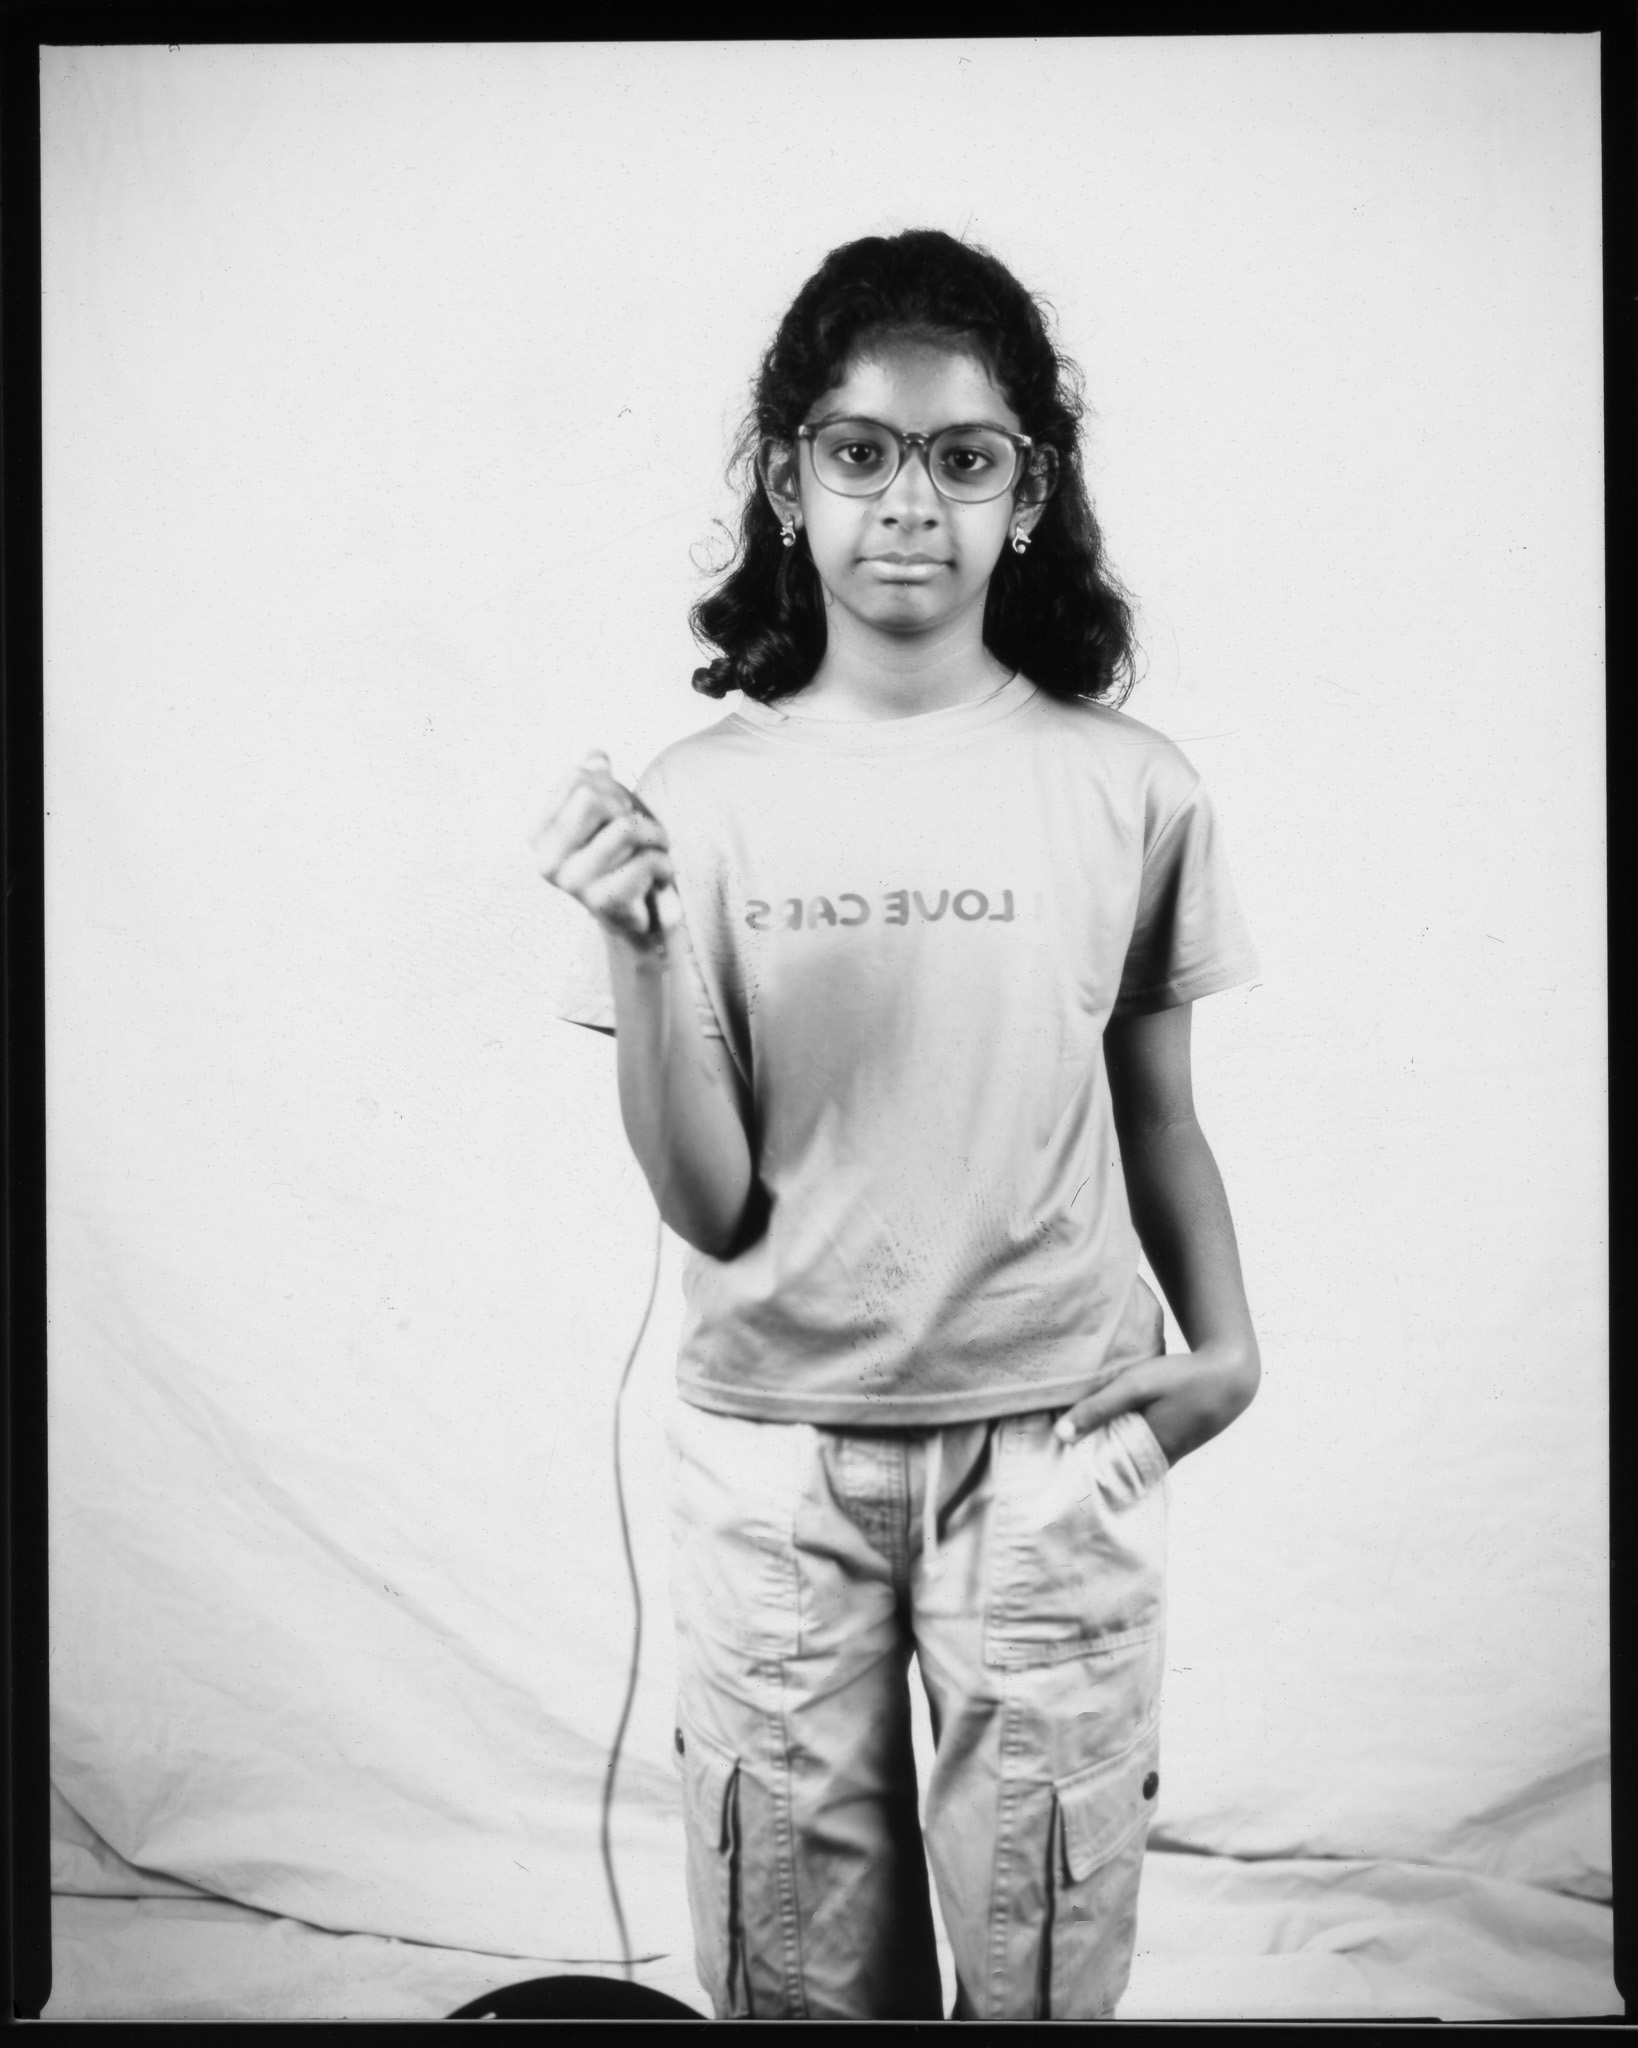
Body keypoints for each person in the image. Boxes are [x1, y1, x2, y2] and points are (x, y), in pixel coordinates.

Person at [530, 228, 1261, 2021]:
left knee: (1033, 1955)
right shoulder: (691, 807)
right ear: (788, 483)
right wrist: (632, 944)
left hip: (1053, 1441)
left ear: (1030, 488)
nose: (907, 502)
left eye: (963, 454)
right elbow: (706, 1208)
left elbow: (1156, 1116)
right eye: (856, 451)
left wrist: (1227, 1353)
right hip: (771, 1464)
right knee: (800, 1970)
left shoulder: (1126, 784)